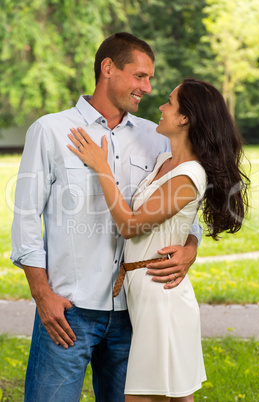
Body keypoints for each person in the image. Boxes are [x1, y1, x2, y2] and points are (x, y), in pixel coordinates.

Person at [11, 33, 202, 402]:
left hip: (134, 312)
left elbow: (181, 208)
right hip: (69, 309)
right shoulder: (51, 131)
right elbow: (25, 219)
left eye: (150, 78)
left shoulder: (157, 137)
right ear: (108, 68)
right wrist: (42, 294)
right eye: (140, 76)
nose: (147, 87)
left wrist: (190, 248)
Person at [67, 77, 249, 401]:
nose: (161, 107)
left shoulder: (189, 176)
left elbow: (130, 225)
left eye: (169, 102)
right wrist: (190, 246)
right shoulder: (166, 162)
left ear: (185, 118)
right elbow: (179, 224)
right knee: (172, 396)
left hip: (161, 300)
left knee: (146, 396)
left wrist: (101, 167)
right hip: (148, 295)